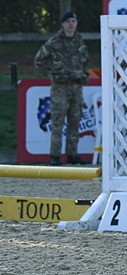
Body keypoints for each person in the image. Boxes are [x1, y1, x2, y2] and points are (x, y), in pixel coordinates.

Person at [34, 11, 89, 165]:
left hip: (76, 86)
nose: (71, 24)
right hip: (60, 87)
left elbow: (84, 61)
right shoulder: (54, 42)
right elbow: (39, 60)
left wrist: (82, 74)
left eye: (73, 21)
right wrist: (52, 74)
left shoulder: (80, 41)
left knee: (75, 121)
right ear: (63, 24)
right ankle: (55, 157)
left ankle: (72, 155)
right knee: (57, 122)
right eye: (68, 21)